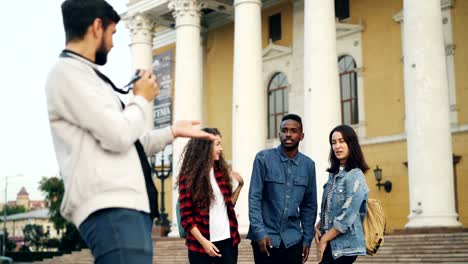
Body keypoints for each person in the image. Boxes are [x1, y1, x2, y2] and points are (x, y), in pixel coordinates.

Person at [45, 1, 216, 263]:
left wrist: (173, 131)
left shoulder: (86, 76)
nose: (113, 44)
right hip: (110, 207)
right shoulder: (67, 74)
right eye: (113, 33)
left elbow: (131, 141)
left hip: (124, 208)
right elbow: (119, 135)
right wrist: (142, 99)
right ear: (97, 26)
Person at [248, 114, 317, 264]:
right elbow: (254, 198)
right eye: (284, 130)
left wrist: (307, 238)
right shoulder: (263, 159)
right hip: (265, 239)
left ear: (301, 136)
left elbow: (309, 205)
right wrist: (259, 232)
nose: (288, 134)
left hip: (293, 240)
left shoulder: (308, 165)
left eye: (293, 130)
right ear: (279, 133)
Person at [178, 128, 243, 264]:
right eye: (217, 144)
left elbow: (228, 206)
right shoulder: (188, 177)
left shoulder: (221, 172)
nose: (221, 148)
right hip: (201, 246)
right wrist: (204, 243)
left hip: (228, 243)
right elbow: (186, 217)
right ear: (205, 147)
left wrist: (240, 186)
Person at [314, 125, 370, 264]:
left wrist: (325, 239)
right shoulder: (333, 176)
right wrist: (319, 225)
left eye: (342, 141)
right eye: (334, 142)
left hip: (345, 246)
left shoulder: (355, 175)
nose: (337, 146)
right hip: (332, 243)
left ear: (351, 144)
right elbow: (332, 208)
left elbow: (347, 216)